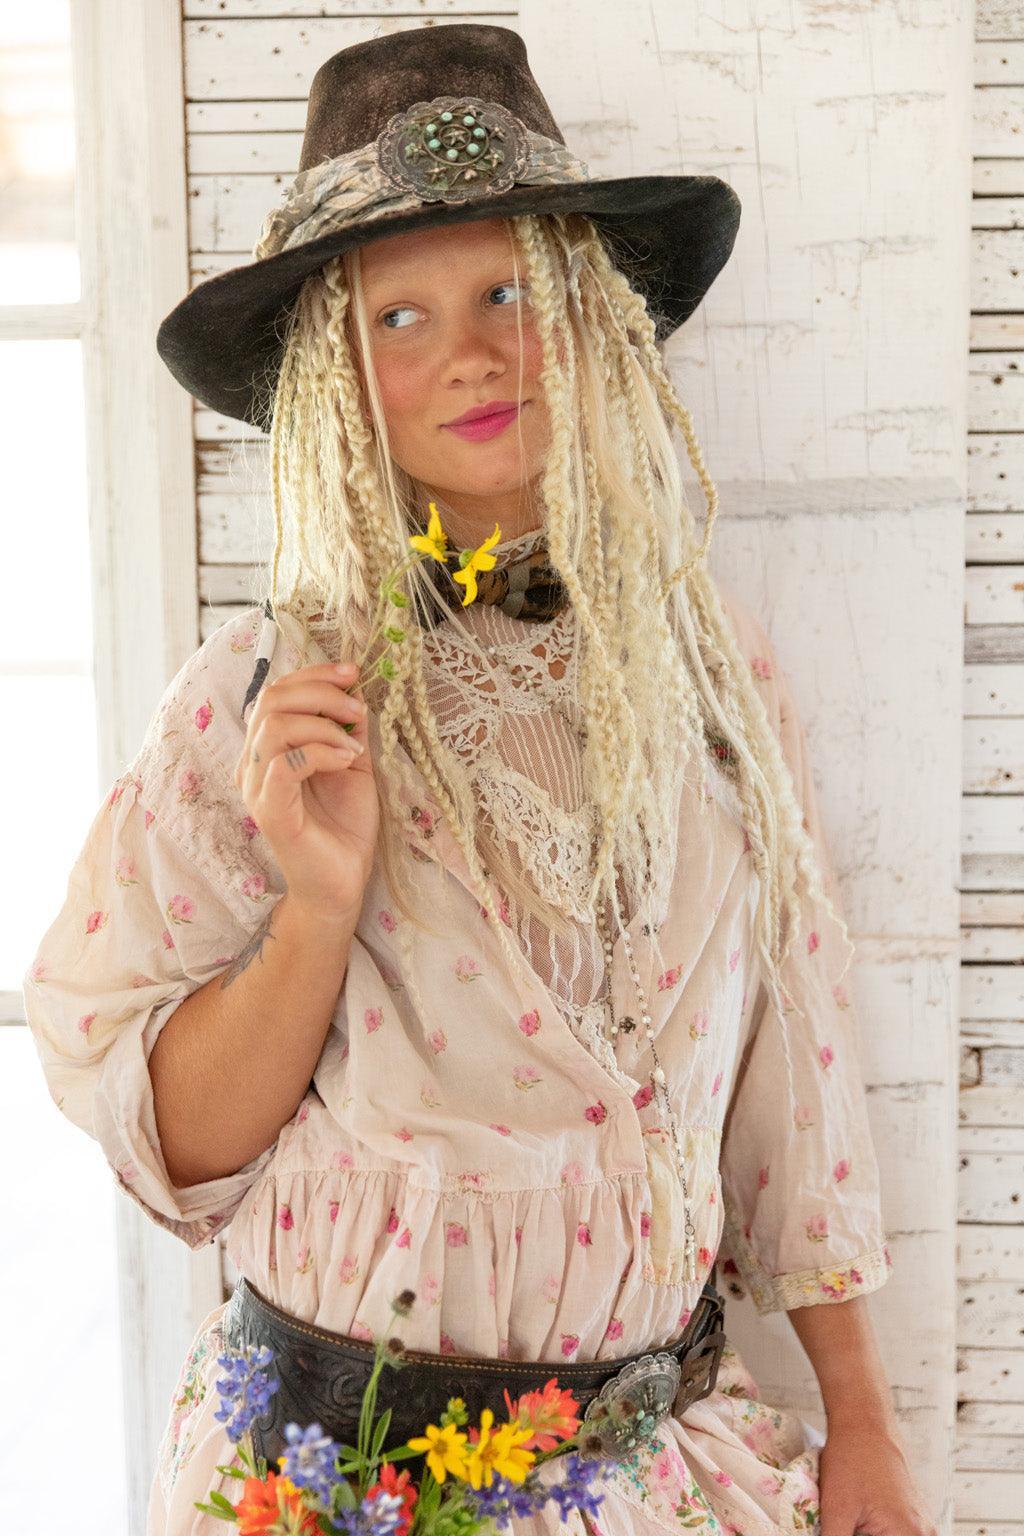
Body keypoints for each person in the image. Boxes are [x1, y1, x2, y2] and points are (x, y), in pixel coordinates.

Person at [21, 23, 938, 1536]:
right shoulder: (275, 706)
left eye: (511, 290)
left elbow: (797, 1061)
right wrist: (318, 906)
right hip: (340, 1487)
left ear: (584, 315)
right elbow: (174, 1143)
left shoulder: (709, 677)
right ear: (336, 367)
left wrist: (867, 1423)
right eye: (402, 317)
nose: (473, 350)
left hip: (652, 1467)